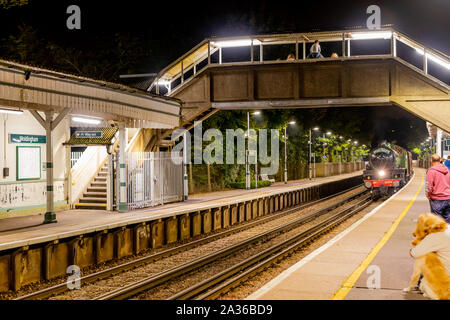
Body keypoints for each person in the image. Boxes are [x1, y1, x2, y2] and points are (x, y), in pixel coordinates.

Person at [426, 154, 450, 223]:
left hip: (437, 199)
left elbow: (429, 187)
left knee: (437, 223)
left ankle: (439, 234)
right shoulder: (447, 170)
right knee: (448, 223)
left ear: (431, 161)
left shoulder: (431, 171)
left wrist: (428, 195)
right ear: (440, 160)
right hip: (448, 198)